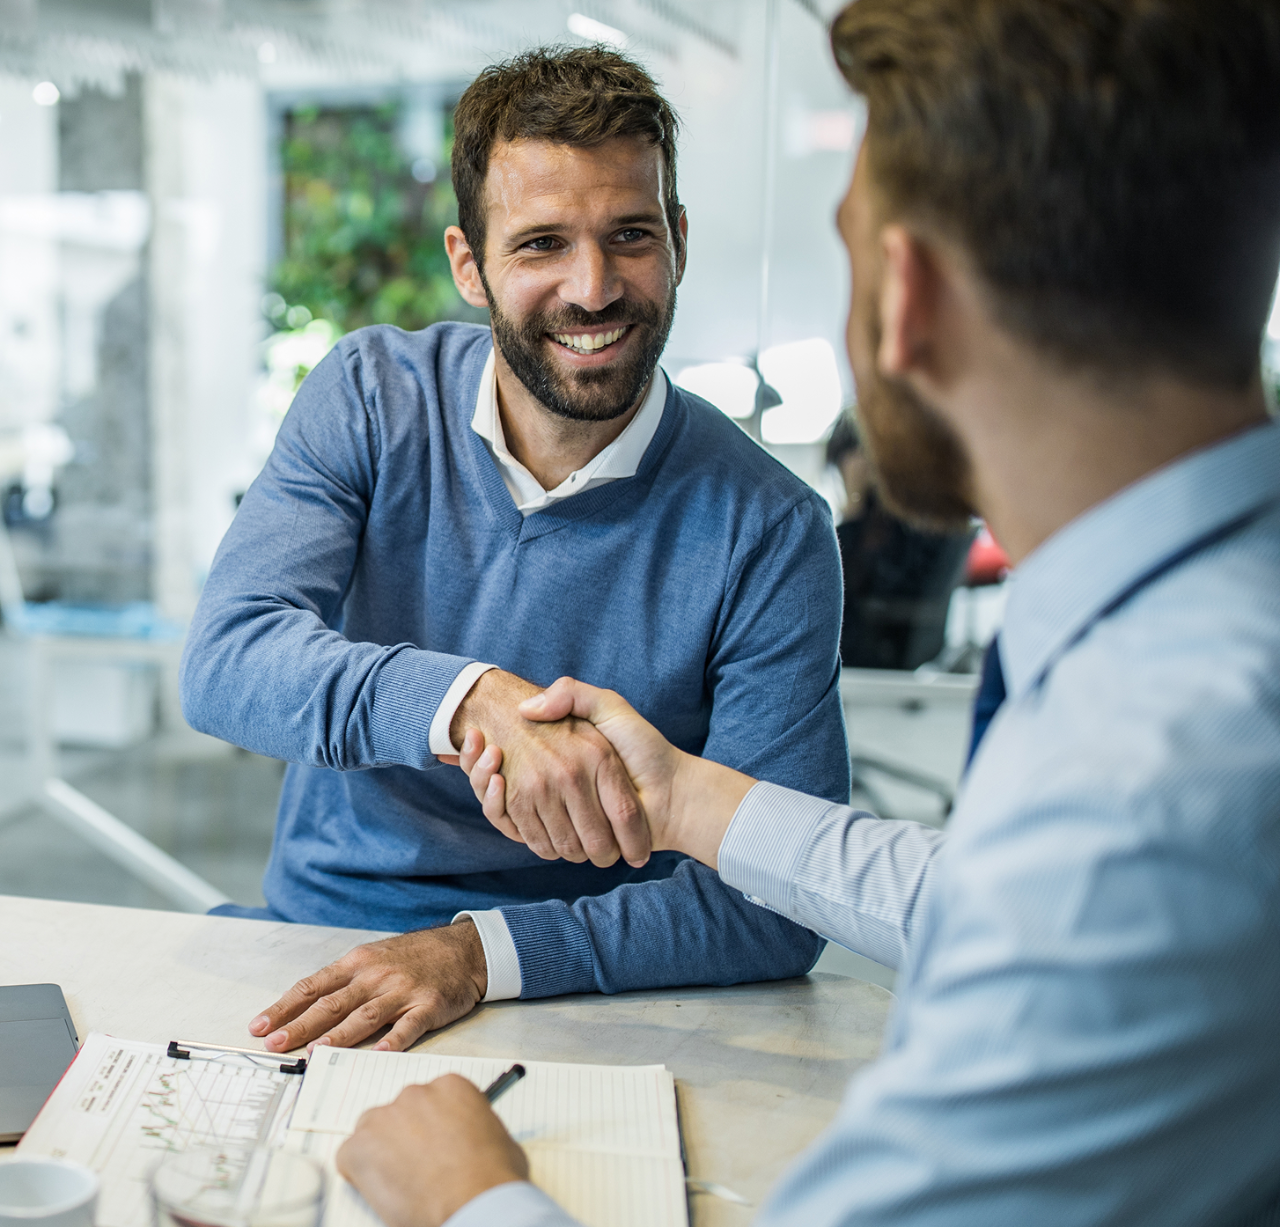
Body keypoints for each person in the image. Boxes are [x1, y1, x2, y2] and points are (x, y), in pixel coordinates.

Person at [332, 1, 1280, 1224]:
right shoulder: (1183, 652)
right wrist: (683, 798)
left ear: (904, 292)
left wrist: (468, 1198)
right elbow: (984, 896)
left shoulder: (1148, 779)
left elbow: (1073, 889)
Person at [179, 45, 850, 1055]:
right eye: (540, 244)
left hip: (590, 979)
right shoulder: (371, 398)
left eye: (628, 235)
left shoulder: (769, 530)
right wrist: (469, 702)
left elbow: (778, 903)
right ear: (468, 262)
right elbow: (227, 663)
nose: (591, 289)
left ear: (676, 239)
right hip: (318, 946)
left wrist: (477, 954)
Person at [824, 414, 971, 669]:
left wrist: (854, 507)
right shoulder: (874, 524)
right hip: (866, 657)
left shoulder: (917, 527)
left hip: (883, 655)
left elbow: (842, 590)